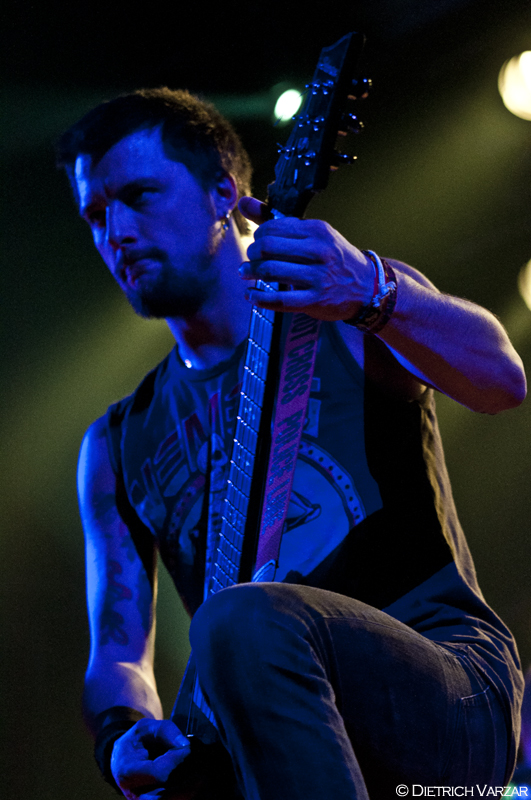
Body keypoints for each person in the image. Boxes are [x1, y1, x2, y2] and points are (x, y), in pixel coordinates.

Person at [56, 87, 527, 799]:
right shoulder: (117, 442)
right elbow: (119, 654)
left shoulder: (347, 307)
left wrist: (371, 290)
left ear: (224, 193)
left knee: (238, 619)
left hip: (450, 689)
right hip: (264, 728)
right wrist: (122, 736)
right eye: (95, 214)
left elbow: (501, 381)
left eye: (139, 195)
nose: (115, 230)